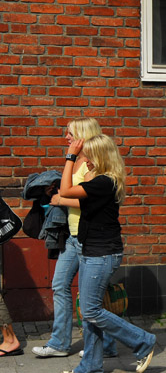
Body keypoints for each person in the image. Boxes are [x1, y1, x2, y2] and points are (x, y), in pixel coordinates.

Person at [58, 134, 156, 373]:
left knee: (90, 311)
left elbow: (65, 190)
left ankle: (143, 341)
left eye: (88, 156)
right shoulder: (101, 180)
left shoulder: (104, 182)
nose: (84, 160)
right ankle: (90, 366)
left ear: (99, 156)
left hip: (102, 254)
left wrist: (70, 156)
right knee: (90, 312)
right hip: (93, 250)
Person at [32, 117, 117, 359]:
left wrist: (60, 199)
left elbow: (91, 198)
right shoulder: (80, 160)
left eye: (70, 133)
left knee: (91, 297)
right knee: (60, 285)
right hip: (72, 235)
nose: (66, 137)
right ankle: (59, 343)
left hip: (89, 237)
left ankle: (106, 345)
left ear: (82, 134)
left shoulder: (95, 163)